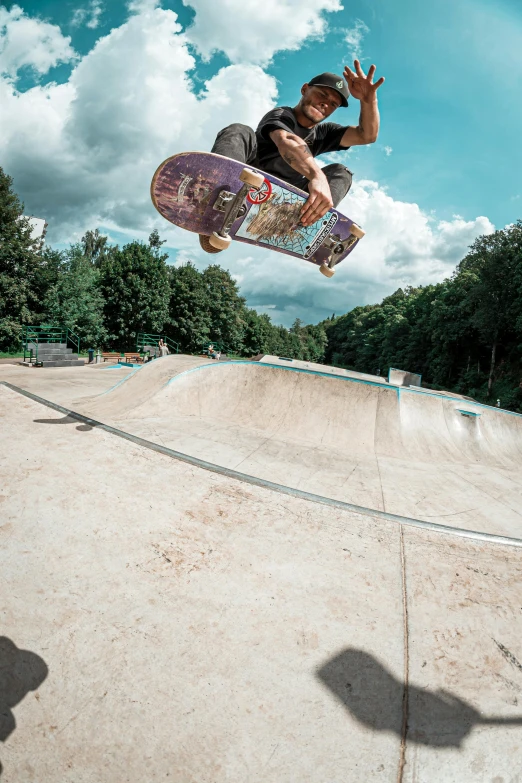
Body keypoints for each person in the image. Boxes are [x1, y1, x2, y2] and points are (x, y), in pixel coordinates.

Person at [200, 59, 385, 253]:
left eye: (332, 104)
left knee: (342, 172)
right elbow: (286, 140)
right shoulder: (281, 115)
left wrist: (368, 100)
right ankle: (220, 201)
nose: (325, 104)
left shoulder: (324, 133)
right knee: (238, 130)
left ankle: (308, 222)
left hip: (286, 203)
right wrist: (316, 175)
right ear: (304, 89)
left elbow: (367, 135)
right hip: (247, 183)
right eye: (322, 95)